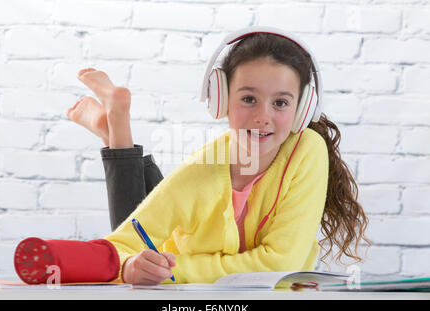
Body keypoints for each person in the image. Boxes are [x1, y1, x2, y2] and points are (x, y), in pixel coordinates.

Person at [67, 28, 370, 285]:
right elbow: (119, 245)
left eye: (280, 103)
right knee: (144, 224)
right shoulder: (203, 168)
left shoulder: (307, 150)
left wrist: (174, 271)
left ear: (302, 109)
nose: (263, 116)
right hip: (189, 265)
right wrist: (131, 266)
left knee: (156, 213)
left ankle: (115, 132)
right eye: (249, 99)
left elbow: (280, 264)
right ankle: (117, 131)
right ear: (221, 98)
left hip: (181, 264)